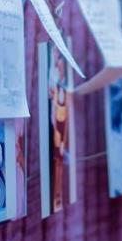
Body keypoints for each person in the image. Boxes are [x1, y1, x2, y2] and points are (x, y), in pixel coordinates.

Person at [48, 53, 70, 212]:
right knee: (57, 161)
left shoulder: (64, 87)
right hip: (56, 127)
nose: (61, 71)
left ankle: (58, 193)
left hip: (62, 129)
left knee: (60, 161)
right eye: (59, 67)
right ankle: (55, 193)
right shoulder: (56, 88)